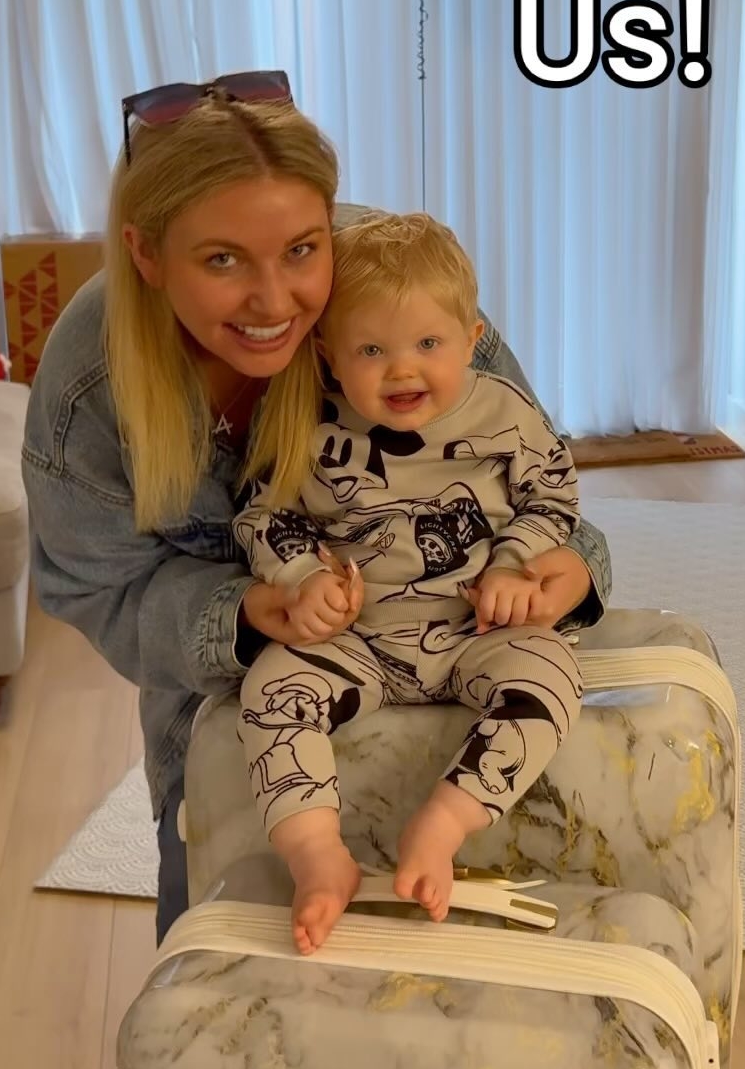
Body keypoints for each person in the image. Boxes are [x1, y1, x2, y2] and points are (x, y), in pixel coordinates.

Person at [20, 75, 611, 944]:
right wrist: (248, 612)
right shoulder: (90, 386)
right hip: (244, 727)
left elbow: (541, 489)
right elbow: (96, 588)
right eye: (222, 260)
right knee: (224, 966)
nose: (275, 301)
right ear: (146, 254)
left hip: (467, 693)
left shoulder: (402, 287)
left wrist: (568, 573)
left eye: (302, 249)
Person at [234, 210, 585, 953]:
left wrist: (514, 564)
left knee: (552, 674)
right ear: (329, 355)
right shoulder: (307, 425)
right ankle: (316, 855)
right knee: (270, 688)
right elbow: (263, 515)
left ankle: (446, 822)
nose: (402, 370)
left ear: (473, 337)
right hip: (356, 642)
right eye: (372, 350)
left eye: (429, 344)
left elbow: (554, 498)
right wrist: (302, 578)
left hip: (475, 633)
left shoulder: (506, 412)